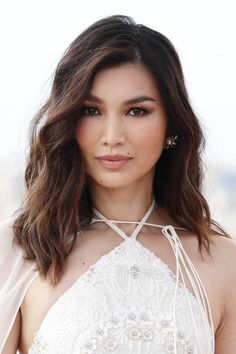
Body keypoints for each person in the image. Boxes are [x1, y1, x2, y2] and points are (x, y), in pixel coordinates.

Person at [0, 14, 236, 354]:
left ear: (172, 124)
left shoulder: (222, 262)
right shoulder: (21, 248)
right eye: (91, 111)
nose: (112, 137)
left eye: (137, 111)